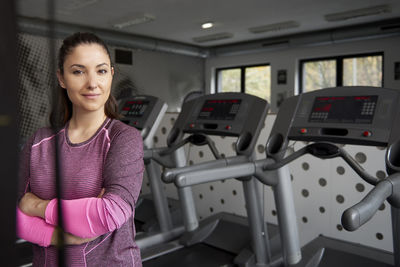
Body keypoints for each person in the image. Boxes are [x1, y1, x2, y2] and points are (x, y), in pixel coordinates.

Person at [16, 32, 144, 266]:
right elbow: (12, 215)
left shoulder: (123, 139)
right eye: (78, 71)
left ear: (111, 75)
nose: (92, 83)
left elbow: (109, 213)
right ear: (62, 78)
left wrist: (36, 206)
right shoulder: (38, 142)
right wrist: (58, 235)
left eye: (101, 70)